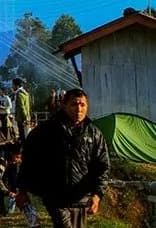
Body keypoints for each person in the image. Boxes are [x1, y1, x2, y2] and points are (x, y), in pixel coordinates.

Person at [16, 88, 110, 228]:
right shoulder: (46, 131)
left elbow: (102, 166)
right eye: (74, 104)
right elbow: (29, 160)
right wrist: (22, 190)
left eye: (82, 105)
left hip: (81, 197)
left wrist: (97, 194)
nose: (78, 109)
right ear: (64, 105)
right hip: (55, 195)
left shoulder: (94, 133)